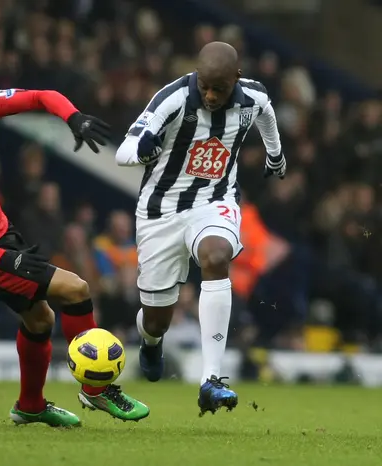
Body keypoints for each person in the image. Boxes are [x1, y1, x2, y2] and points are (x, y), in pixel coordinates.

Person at [0, 66, 150, 427]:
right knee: (76, 289)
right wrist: (6, 259)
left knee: (40, 318)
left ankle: (30, 406)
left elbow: (41, 96)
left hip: (3, 237)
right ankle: (96, 389)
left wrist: (73, 117)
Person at [115, 42, 286, 416]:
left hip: (213, 202)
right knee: (157, 318)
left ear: (235, 80)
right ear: (197, 75)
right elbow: (124, 150)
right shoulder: (172, 98)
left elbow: (267, 114)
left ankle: (211, 379)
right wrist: (141, 151)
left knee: (217, 255)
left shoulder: (252, 96)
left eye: (219, 89)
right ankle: (151, 340)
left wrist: (275, 154)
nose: (209, 95)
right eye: (204, 86)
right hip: (160, 213)